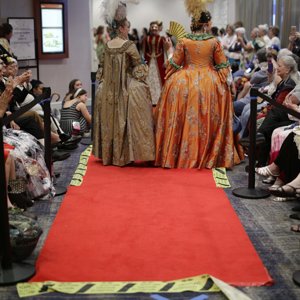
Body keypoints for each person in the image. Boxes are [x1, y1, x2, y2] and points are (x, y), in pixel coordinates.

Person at [154, 10, 242, 169]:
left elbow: (173, 64)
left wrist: (169, 49)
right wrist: (229, 85)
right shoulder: (214, 41)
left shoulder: (184, 40)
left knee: (183, 115)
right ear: (207, 24)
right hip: (210, 82)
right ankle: (209, 152)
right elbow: (223, 66)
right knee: (208, 116)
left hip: (184, 81)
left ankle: (179, 153)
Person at [92, 15, 155, 166]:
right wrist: (141, 75)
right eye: (126, 27)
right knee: (126, 118)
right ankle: (125, 154)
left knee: (110, 119)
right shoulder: (129, 45)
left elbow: (101, 68)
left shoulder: (108, 45)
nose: (128, 30)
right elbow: (138, 68)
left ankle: (111, 154)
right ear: (121, 28)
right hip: (125, 88)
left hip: (108, 89)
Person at [142, 21, 166, 105]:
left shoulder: (162, 38)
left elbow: (164, 51)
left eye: (156, 29)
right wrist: (143, 61)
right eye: (152, 28)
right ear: (150, 29)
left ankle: (158, 97)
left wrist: (165, 61)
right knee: (148, 78)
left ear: (158, 29)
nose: (154, 31)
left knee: (158, 79)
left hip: (158, 60)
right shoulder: (146, 38)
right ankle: (148, 98)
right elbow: (144, 51)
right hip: (149, 60)